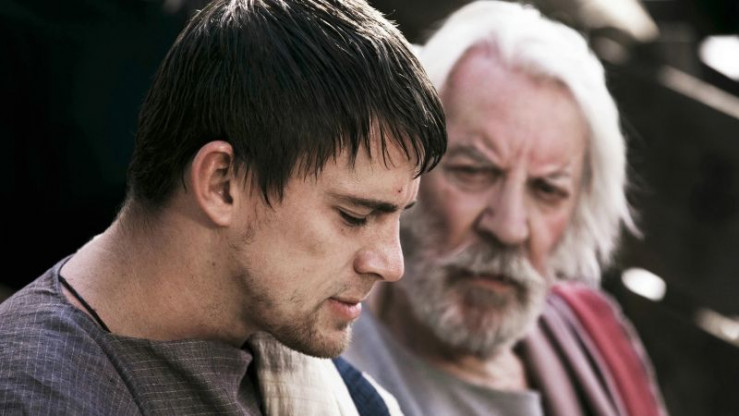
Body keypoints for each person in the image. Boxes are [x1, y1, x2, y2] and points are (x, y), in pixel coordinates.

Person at [0, 0, 446, 414]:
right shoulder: (35, 392)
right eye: (355, 216)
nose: (391, 265)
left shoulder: (307, 369)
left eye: (398, 215)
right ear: (221, 184)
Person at [344, 2, 667, 415]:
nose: (509, 228)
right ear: (404, 172)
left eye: (547, 189)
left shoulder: (594, 339)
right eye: (474, 171)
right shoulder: (319, 372)